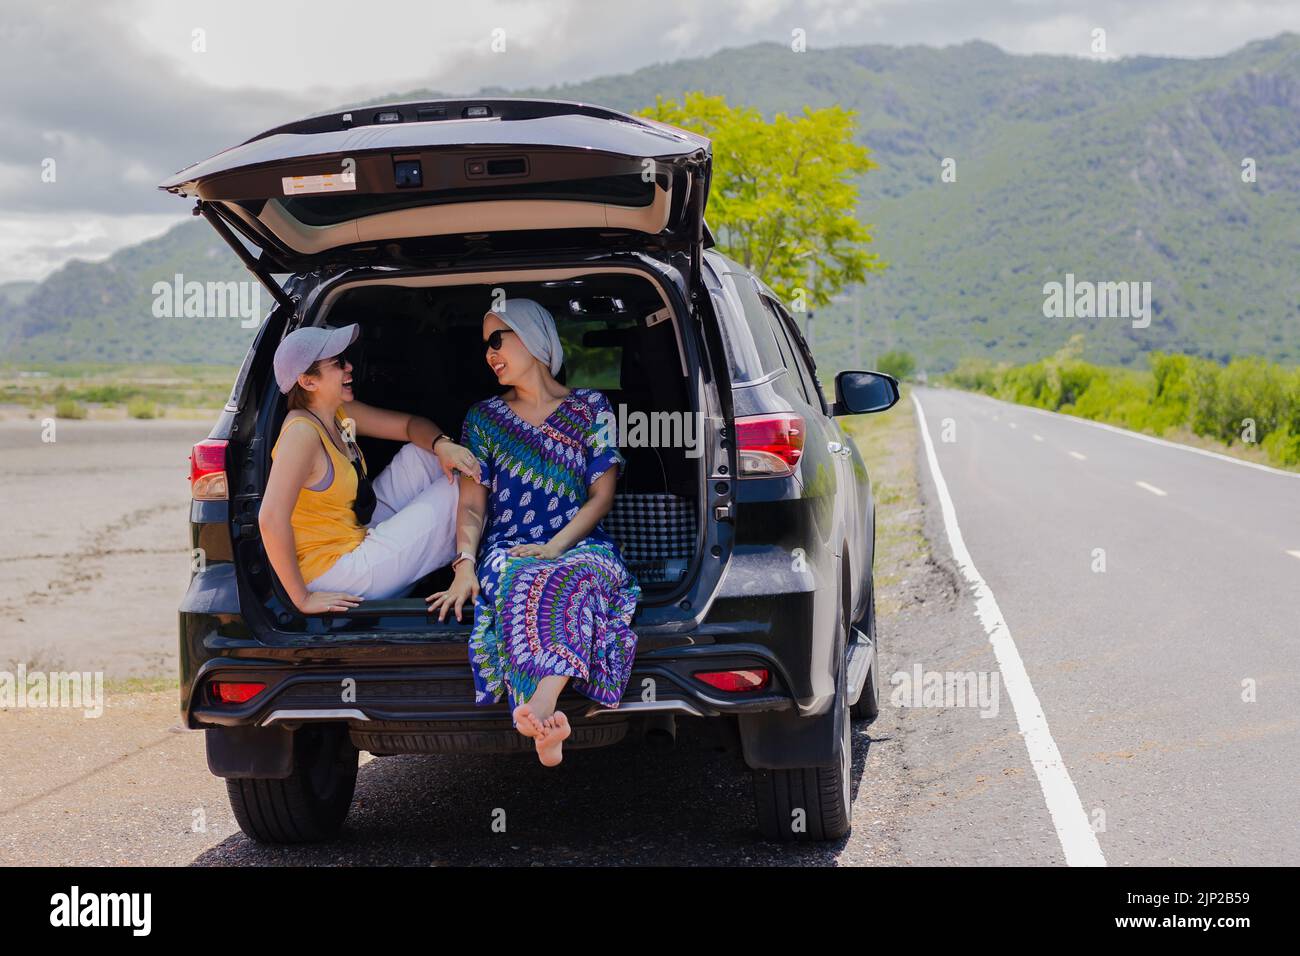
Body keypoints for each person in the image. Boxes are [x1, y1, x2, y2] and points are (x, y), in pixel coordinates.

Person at [427, 298, 640, 767]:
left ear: (533, 338)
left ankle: (539, 709)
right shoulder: (482, 418)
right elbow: (471, 503)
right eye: (485, 345)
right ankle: (546, 717)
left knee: (574, 574)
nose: (489, 353)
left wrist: (555, 546)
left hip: (579, 541)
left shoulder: (591, 408)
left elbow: (600, 497)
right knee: (521, 576)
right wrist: (464, 565)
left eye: (497, 339)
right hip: (509, 545)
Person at [260, 323, 481, 614]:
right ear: (308, 381)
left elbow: (410, 425)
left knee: (423, 454)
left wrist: (442, 445)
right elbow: (270, 518)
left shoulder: (339, 413)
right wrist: (301, 599)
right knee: (464, 484)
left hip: (354, 533)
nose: (349, 367)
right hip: (335, 571)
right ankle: (476, 560)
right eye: (338, 363)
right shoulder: (301, 433)